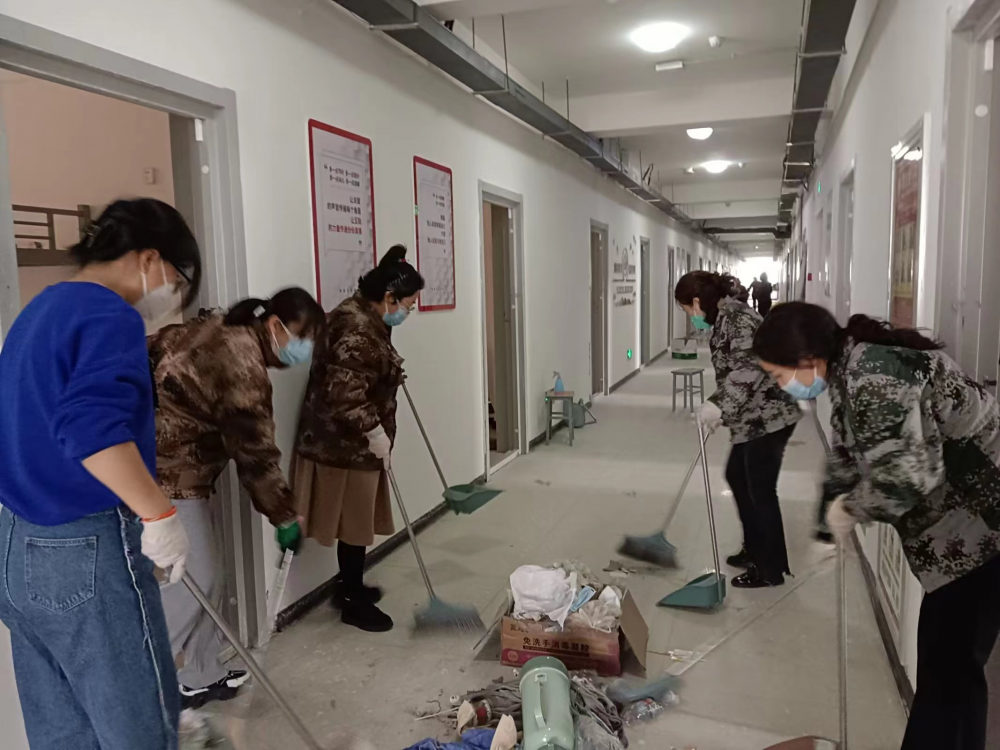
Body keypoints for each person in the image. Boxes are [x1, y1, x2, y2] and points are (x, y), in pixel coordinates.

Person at [753, 302, 1000, 750]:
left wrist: (850, 510)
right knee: (949, 671)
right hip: (962, 535)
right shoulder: (849, 372)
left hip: (984, 529)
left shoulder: (874, 376)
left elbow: (911, 476)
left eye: (777, 375)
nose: (780, 385)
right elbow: (845, 457)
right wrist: (825, 529)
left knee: (950, 673)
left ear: (806, 361)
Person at [0, 198, 201, 748]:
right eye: (178, 280)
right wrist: (158, 514)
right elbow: (91, 430)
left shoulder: (41, 310)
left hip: (15, 544)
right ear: (151, 259)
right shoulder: (109, 314)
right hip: (82, 553)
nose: (172, 295)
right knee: (137, 728)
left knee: (65, 731)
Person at [148, 287, 324, 708]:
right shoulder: (243, 362)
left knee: (207, 574)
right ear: (275, 325)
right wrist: (285, 515)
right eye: (302, 338)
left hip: (180, 466)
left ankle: (201, 673)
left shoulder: (221, 327)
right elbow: (255, 454)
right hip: (167, 472)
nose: (304, 350)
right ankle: (146, 680)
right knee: (197, 577)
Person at [294, 245, 425, 632]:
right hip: (344, 445)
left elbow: (365, 370)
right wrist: (375, 432)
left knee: (357, 521)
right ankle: (351, 601)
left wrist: (389, 373)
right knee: (354, 524)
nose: (410, 311)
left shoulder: (365, 313)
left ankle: (349, 585)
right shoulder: (357, 328)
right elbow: (345, 395)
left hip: (350, 443)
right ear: (389, 297)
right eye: (409, 304)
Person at [674, 271, 802, 588]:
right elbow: (734, 371)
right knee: (737, 476)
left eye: (687, 310)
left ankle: (769, 569)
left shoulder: (737, 318)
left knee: (759, 489)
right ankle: (755, 548)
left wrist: (720, 405)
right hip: (753, 415)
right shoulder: (724, 318)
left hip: (770, 416)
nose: (690, 317)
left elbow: (750, 366)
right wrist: (724, 410)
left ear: (696, 302)